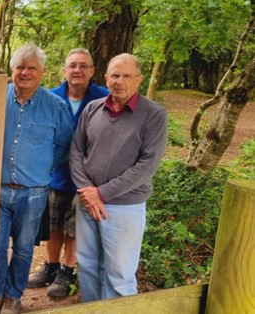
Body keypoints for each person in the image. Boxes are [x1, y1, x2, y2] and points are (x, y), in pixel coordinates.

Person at [69, 53, 167, 302]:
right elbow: (77, 151)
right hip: (86, 202)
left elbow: (147, 165)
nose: (119, 81)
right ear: (106, 78)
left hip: (124, 207)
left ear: (138, 80)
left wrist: (101, 193)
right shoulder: (92, 108)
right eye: (114, 75)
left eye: (126, 76)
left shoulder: (153, 115)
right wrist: (87, 191)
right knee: (88, 267)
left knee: (119, 276)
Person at [0, 43, 74, 314]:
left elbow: (64, 144)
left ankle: (12, 297)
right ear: (12, 70)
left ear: (42, 73)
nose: (24, 73)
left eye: (31, 68)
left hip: (34, 192)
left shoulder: (56, 106)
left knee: (25, 248)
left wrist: (43, 167)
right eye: (19, 67)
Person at [28, 48, 109, 298]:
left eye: (83, 66)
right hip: (55, 174)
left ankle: (66, 271)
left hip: (87, 178)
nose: (77, 70)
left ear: (92, 71)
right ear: (65, 70)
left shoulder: (103, 98)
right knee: (54, 226)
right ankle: (50, 267)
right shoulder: (52, 98)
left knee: (75, 228)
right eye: (73, 65)